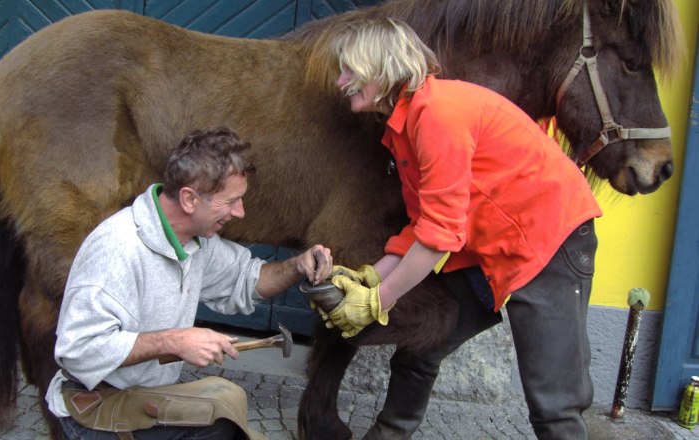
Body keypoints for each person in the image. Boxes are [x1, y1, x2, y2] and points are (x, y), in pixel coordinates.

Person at [321, 18, 602, 440]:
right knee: (421, 345)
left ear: (384, 69)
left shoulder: (437, 113)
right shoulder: (404, 124)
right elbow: (424, 223)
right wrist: (373, 274)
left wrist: (378, 298)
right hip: (490, 251)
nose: (341, 81)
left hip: (550, 241)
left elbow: (438, 237)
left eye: (351, 70)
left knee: (554, 405)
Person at [45, 126, 333, 440]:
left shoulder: (196, 242)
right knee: (222, 429)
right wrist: (175, 340)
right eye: (231, 201)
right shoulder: (117, 249)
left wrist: (297, 265)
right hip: (95, 407)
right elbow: (79, 350)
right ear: (189, 199)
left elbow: (247, 279)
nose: (240, 212)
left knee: (228, 413)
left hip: (143, 395)